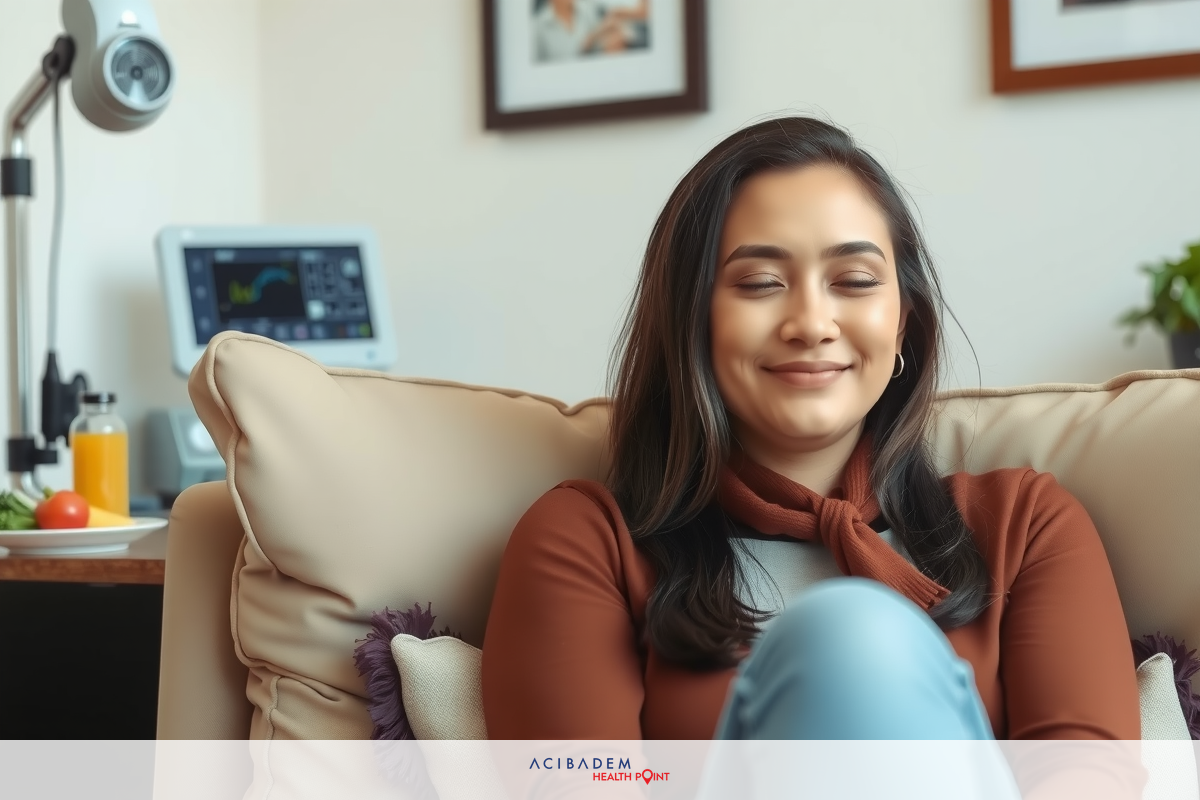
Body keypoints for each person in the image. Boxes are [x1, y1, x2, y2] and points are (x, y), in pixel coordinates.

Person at [481, 117, 1144, 796]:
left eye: (854, 281)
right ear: (691, 322)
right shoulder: (588, 541)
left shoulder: (1023, 524)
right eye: (761, 283)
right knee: (846, 636)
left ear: (904, 320)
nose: (811, 323)